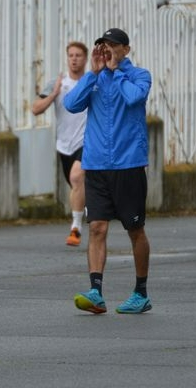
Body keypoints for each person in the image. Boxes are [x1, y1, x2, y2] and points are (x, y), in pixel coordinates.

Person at [63, 28, 153, 314]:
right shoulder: (95, 79)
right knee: (98, 227)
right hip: (97, 165)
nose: (107, 50)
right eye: (103, 45)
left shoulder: (139, 75)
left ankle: (141, 292)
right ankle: (95, 291)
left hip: (128, 164)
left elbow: (133, 99)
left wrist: (116, 71)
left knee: (134, 229)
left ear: (125, 49)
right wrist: (93, 73)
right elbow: (70, 104)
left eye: (113, 45)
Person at [31, 41, 88, 246]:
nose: (74, 59)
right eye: (71, 55)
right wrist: (54, 94)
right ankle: (87, 210)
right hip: (65, 145)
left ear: (85, 58)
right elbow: (35, 109)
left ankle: (75, 228)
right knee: (76, 185)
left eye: (78, 55)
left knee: (76, 176)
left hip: (86, 142)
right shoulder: (58, 83)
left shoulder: (90, 82)